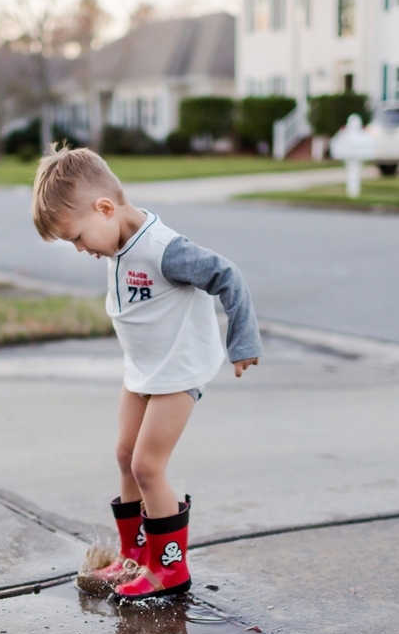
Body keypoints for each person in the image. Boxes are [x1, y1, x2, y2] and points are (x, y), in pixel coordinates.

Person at [32, 146, 261, 601]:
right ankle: (133, 558)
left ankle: (168, 569)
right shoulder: (116, 240)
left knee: (146, 466)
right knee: (123, 455)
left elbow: (227, 276)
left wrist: (243, 342)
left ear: (104, 208)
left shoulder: (165, 250)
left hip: (178, 370)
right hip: (142, 371)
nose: (80, 248)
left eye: (77, 237)